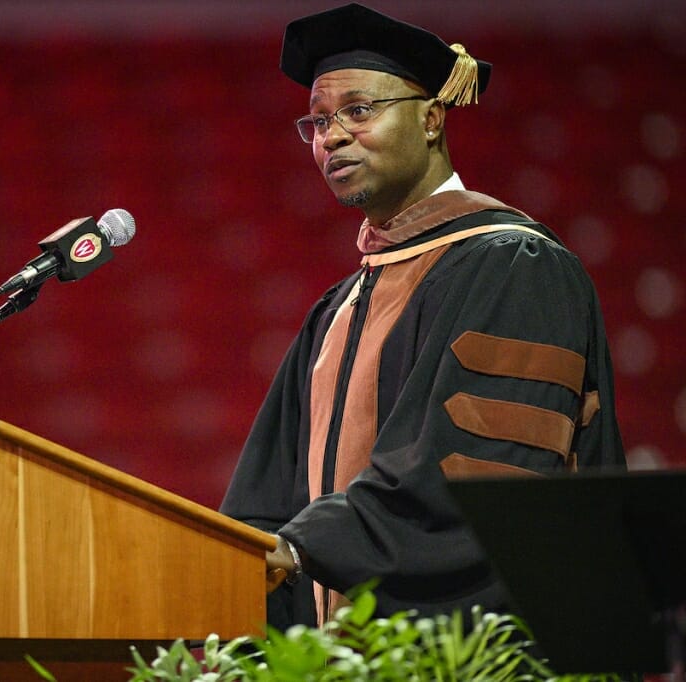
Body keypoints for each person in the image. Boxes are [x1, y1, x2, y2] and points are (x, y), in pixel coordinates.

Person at [219, 3, 625, 630]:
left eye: (359, 110)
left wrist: (304, 547)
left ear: (433, 119)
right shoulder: (338, 309)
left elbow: (476, 482)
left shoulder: (516, 267)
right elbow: (265, 510)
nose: (332, 136)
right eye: (319, 120)